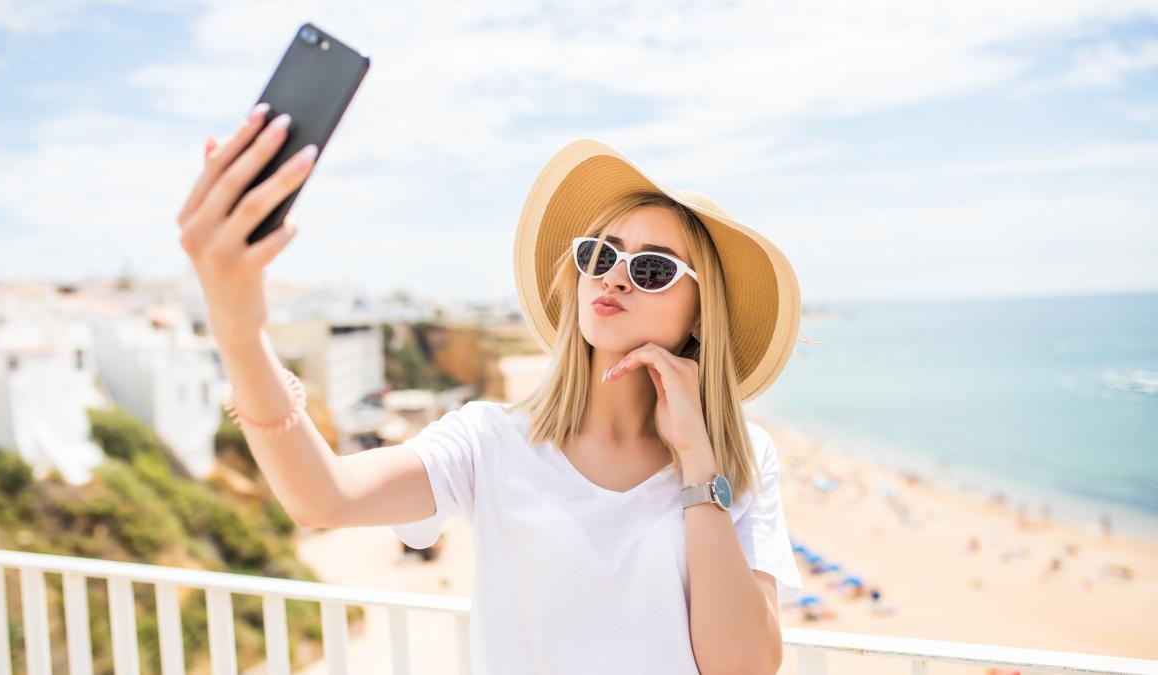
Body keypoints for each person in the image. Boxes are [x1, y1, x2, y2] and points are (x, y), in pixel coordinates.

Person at [177, 113, 806, 675]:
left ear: (701, 315)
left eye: (652, 267)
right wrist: (239, 333)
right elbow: (325, 497)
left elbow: (744, 667)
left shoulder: (740, 457)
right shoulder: (491, 440)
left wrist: (699, 466)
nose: (614, 274)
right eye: (600, 252)